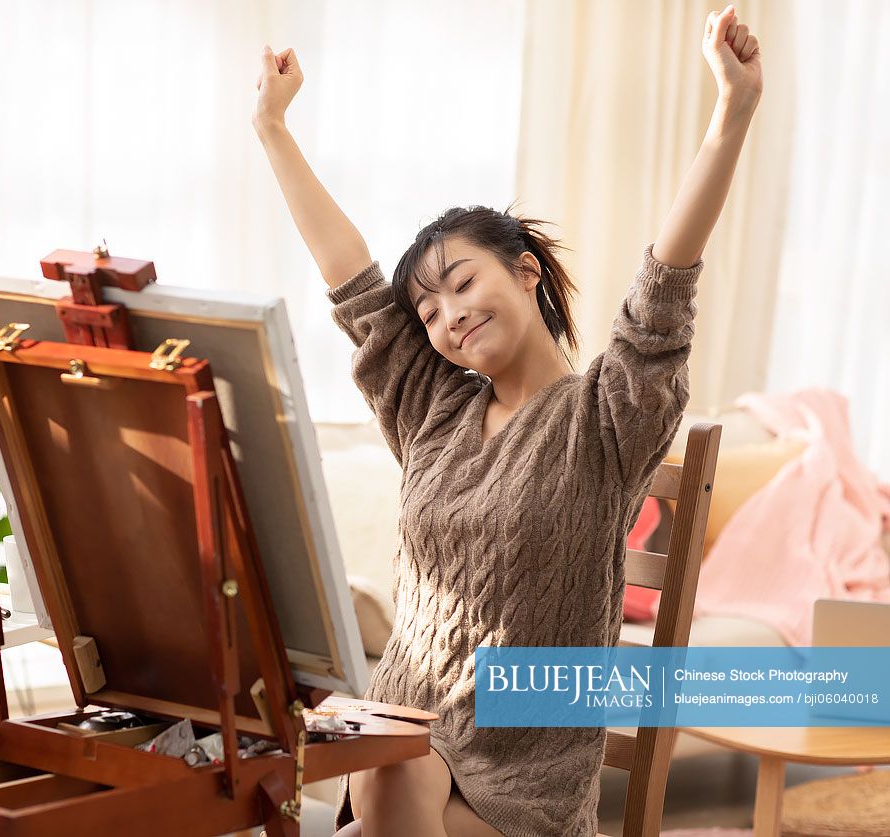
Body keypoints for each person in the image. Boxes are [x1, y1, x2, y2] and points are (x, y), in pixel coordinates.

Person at [252, 5, 762, 835]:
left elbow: (663, 289)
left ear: (525, 272)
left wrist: (730, 113)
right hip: (401, 754)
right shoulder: (432, 410)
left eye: (460, 282)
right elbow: (354, 286)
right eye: (426, 309)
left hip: (520, 786)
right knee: (369, 772)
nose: (445, 314)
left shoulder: (603, 417)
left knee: (379, 786)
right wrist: (273, 128)